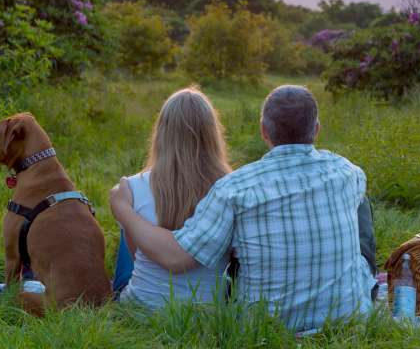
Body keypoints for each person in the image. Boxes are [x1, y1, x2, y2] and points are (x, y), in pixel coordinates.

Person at [111, 85, 376, 332]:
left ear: (264, 131)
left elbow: (177, 258)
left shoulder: (236, 189)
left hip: (259, 324)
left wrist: (123, 209)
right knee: (361, 204)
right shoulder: (351, 173)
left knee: (130, 244)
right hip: (347, 316)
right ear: (316, 130)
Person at [113, 87, 232, 308]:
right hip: (207, 312)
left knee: (127, 215)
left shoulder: (131, 187)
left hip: (140, 308)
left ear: (161, 131)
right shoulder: (231, 188)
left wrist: (124, 208)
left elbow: (136, 253)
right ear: (212, 133)